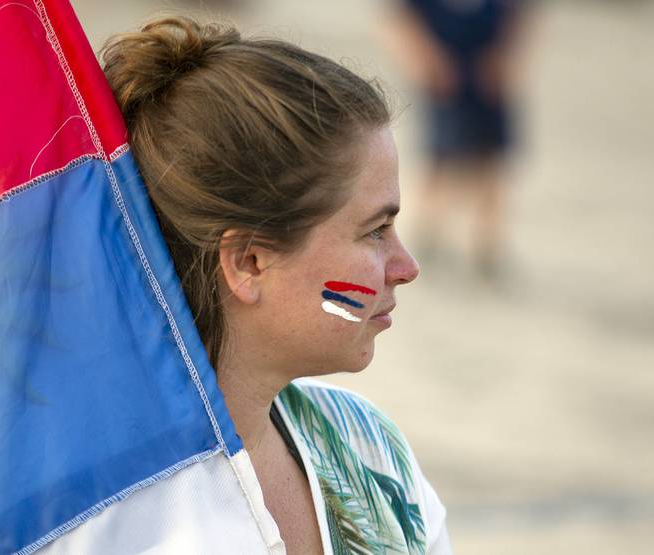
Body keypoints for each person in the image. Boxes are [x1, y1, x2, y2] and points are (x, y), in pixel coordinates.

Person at [101, 16, 452, 554]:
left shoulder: (368, 448)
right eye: (375, 231)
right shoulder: (104, 519)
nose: (406, 267)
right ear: (249, 262)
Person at [383, 0, 529, 279]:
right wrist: (423, 61)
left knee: (490, 165)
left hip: (488, 78)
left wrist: (507, 59)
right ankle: (427, 238)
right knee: (439, 163)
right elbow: (398, 17)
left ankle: (487, 248)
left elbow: (520, 16)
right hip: (444, 79)